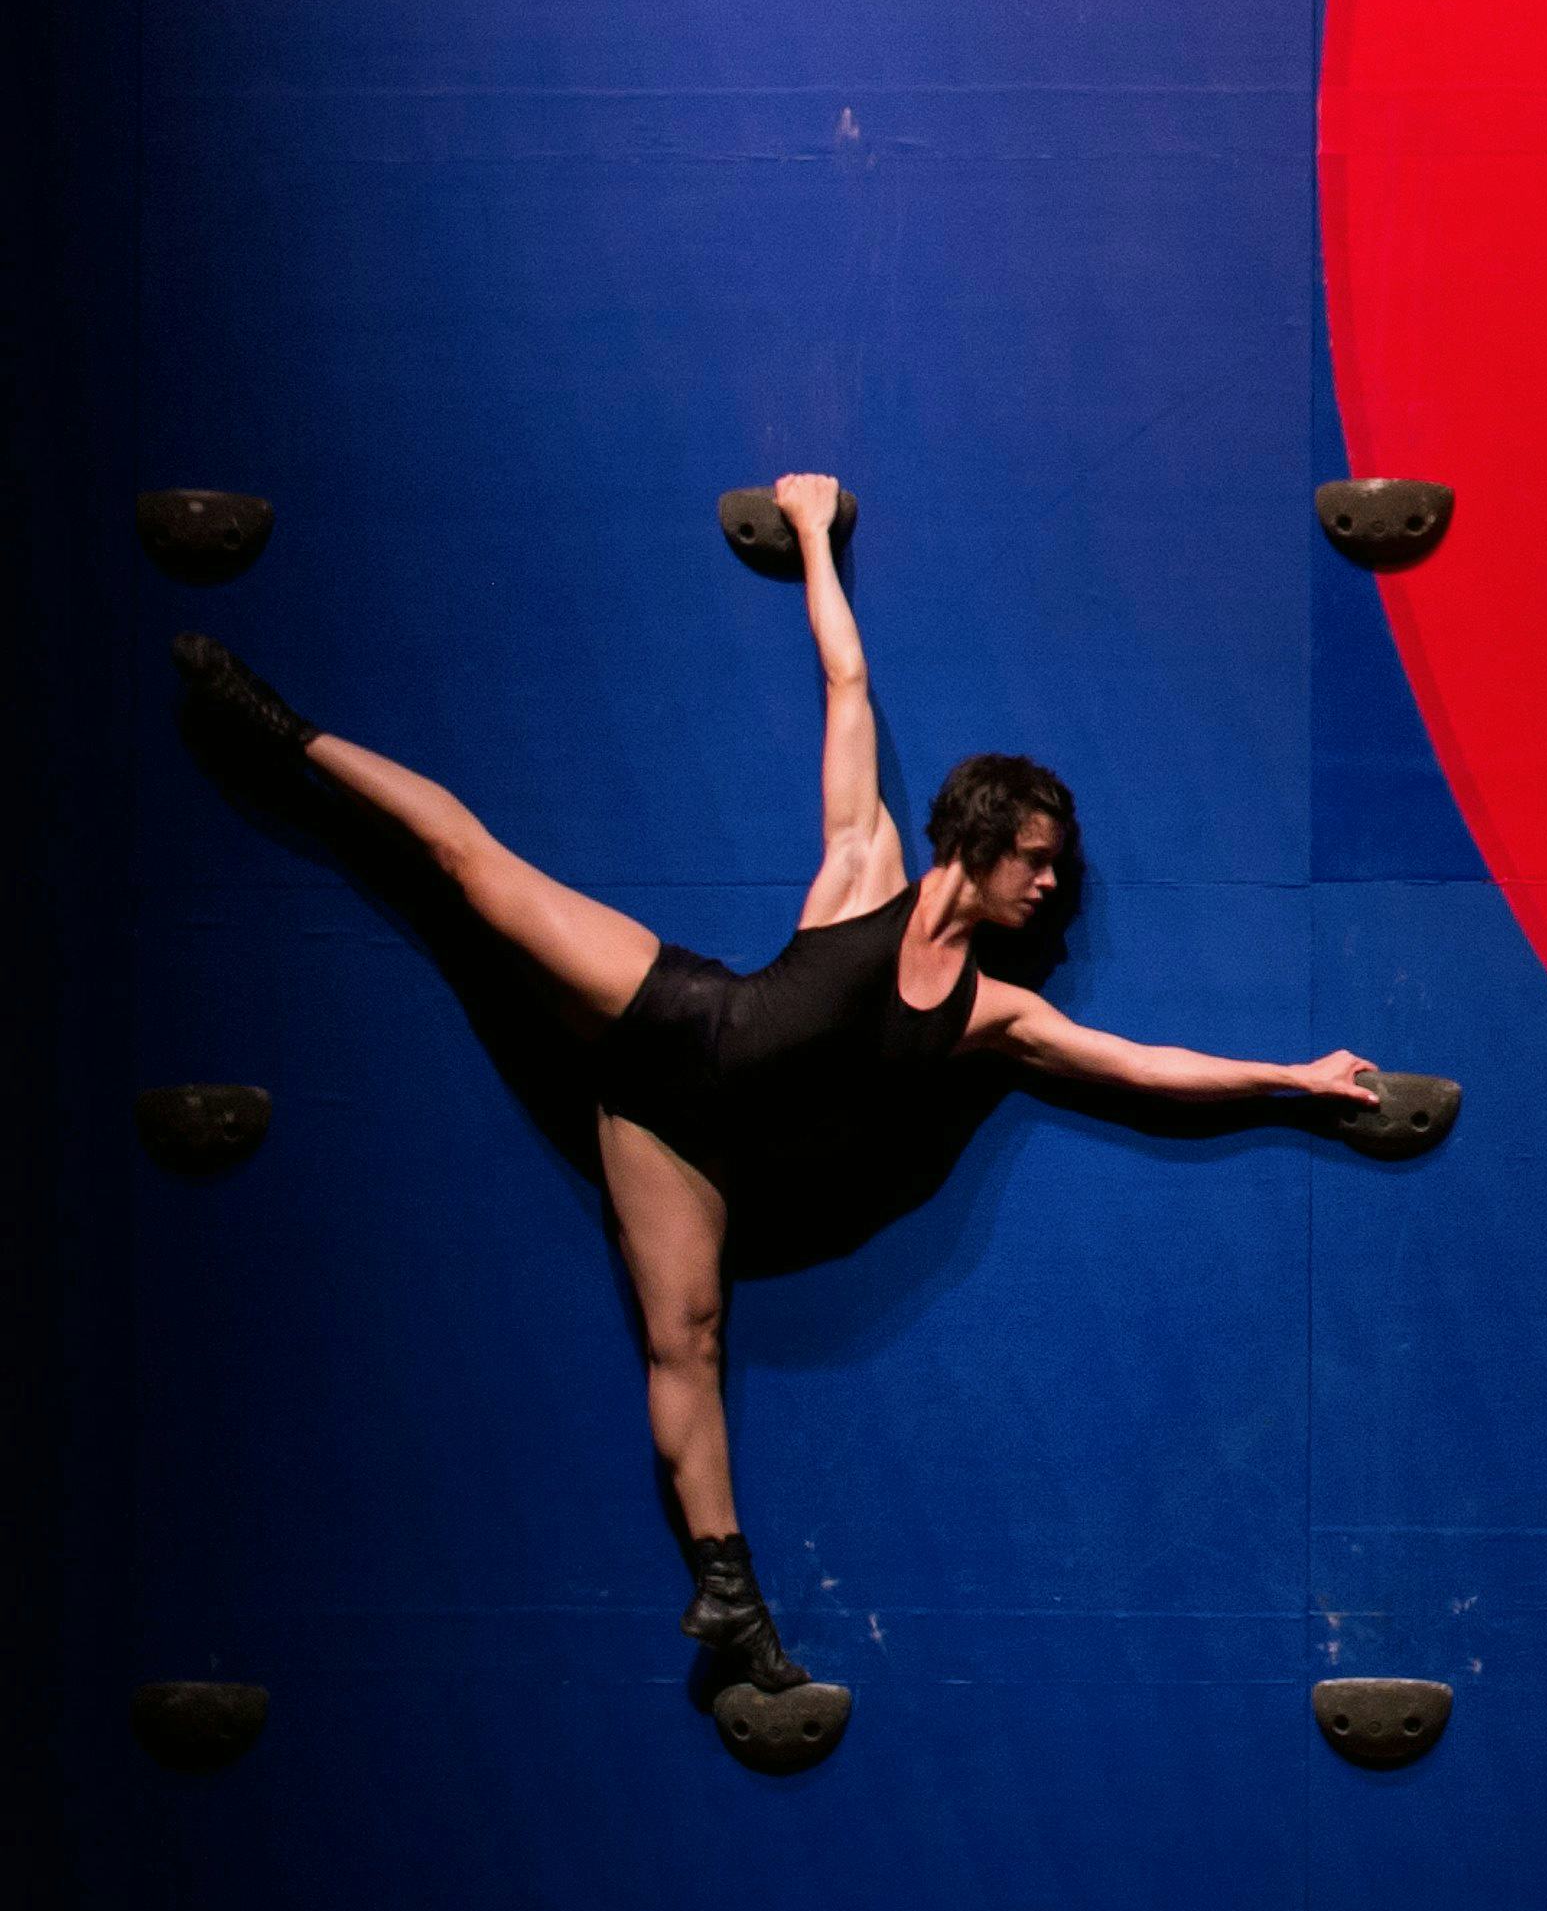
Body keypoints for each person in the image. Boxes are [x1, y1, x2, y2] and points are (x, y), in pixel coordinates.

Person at [167, 479, 1389, 1703]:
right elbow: (848, 684)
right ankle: (281, 727)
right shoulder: (866, 866)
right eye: (1036, 858)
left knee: (689, 1339)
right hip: (668, 1014)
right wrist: (810, 528)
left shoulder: (993, 1013)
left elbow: (1139, 1064)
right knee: (466, 867)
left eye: (1056, 871)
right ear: (981, 838)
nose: (1050, 885)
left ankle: (730, 1593)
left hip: (679, 1138)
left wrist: (1292, 1076)